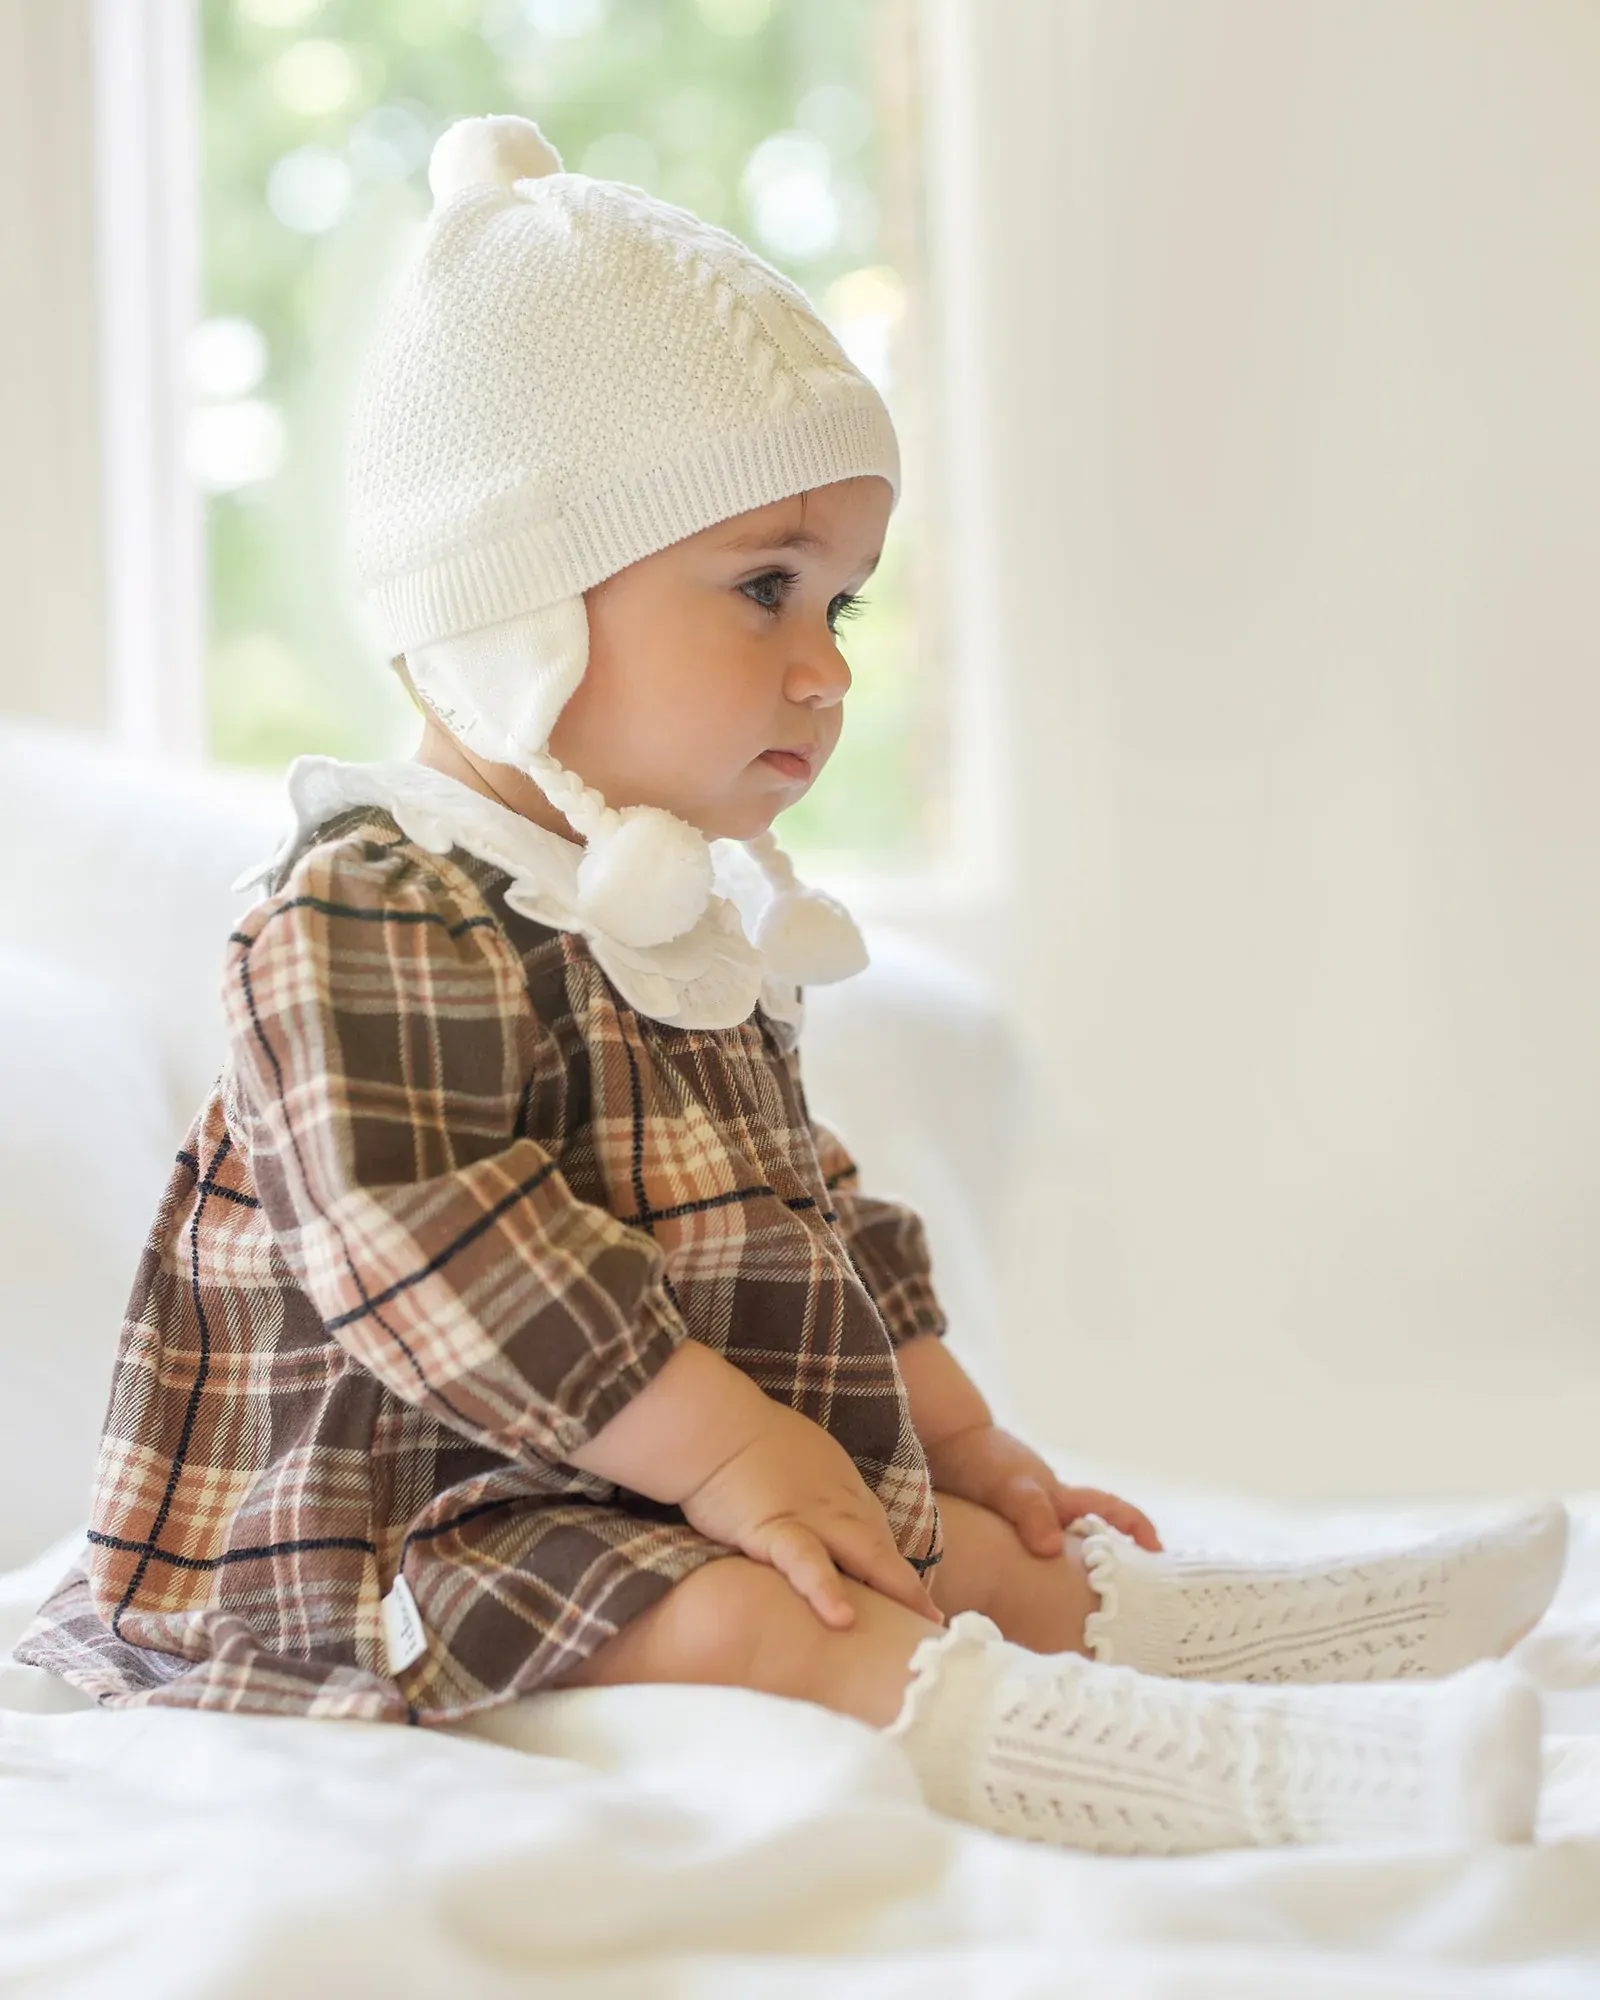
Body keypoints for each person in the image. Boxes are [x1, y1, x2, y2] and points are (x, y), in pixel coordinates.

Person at [17, 115, 1568, 1859]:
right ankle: (1242, 1781)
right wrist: (731, 1458)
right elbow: (422, 1239)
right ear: (518, 604)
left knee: (946, 1553)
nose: (826, 671)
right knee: (785, 1620)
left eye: (843, 605)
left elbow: (798, 1203)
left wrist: (961, 1439)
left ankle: (1258, 1642)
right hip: (406, 1522)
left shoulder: (663, 911)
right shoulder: (367, 907)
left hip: (635, 1472)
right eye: (768, 588)